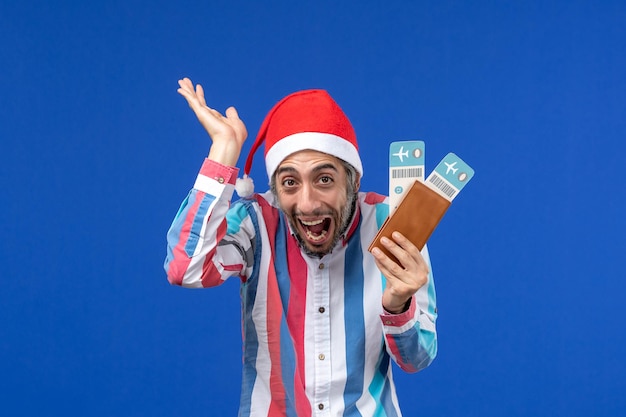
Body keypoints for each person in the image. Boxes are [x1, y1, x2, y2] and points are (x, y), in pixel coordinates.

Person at [164, 77, 438, 417]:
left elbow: (417, 360)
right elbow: (185, 268)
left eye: (324, 179)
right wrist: (223, 151)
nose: (307, 204)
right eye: (290, 182)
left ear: (353, 180)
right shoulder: (255, 222)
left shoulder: (392, 224)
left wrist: (398, 305)